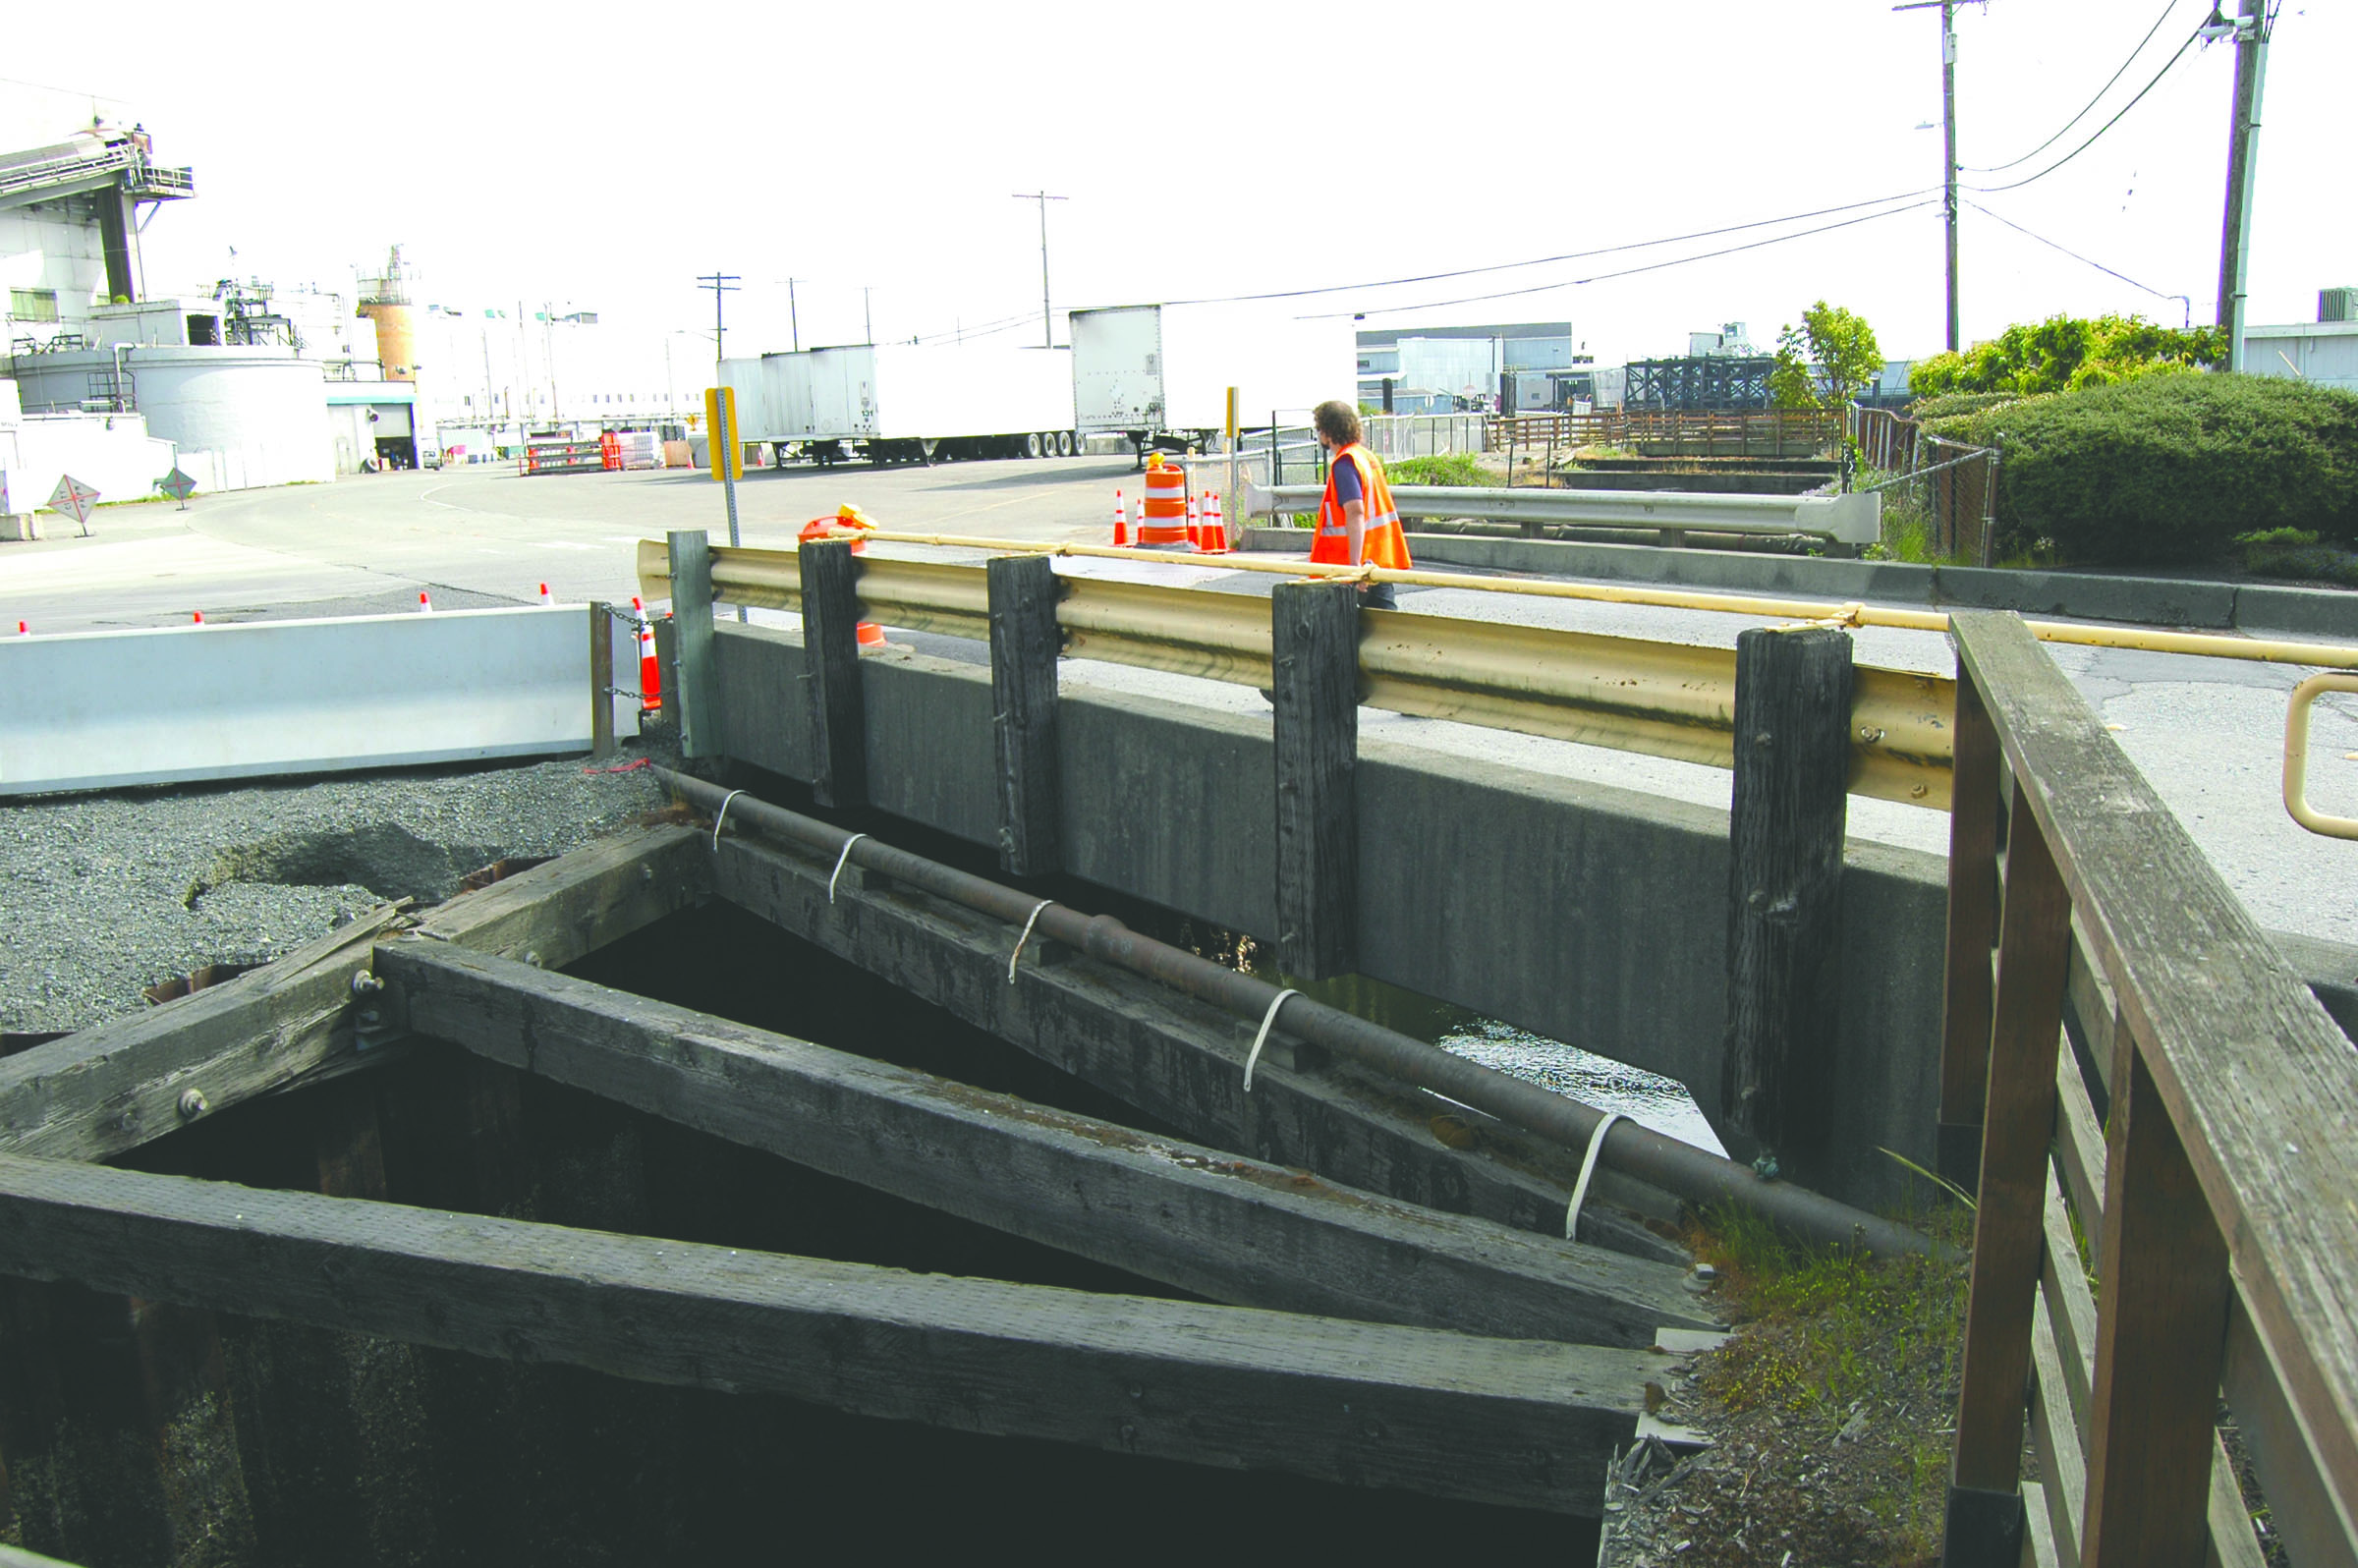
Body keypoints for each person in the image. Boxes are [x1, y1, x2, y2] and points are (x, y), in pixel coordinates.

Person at [1309, 400, 1410, 609]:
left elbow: (1355, 512)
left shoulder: (1345, 463)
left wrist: (1354, 567)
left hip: (1356, 566)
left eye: (1319, 429)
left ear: (1327, 432)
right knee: (1384, 630)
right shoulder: (1365, 457)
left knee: (1347, 634)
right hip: (1379, 558)